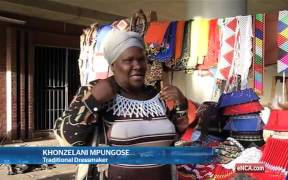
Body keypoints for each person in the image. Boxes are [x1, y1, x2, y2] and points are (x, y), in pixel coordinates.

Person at [54, 29, 197, 180]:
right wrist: (94, 101)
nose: (138, 66)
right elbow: (68, 141)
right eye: (129, 60)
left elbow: (173, 137)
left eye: (141, 59)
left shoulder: (154, 95)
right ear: (113, 64)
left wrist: (180, 104)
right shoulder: (94, 91)